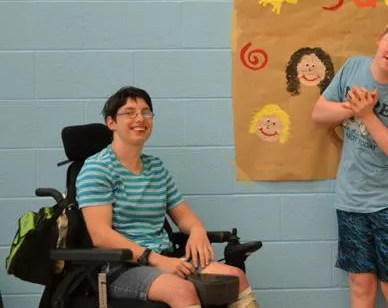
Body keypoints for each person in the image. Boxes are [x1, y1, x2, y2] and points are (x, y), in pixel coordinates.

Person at [77, 86, 259, 308]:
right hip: (120, 267)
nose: (139, 119)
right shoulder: (97, 168)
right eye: (129, 112)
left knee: (235, 278)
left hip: (165, 257)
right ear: (111, 122)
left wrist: (198, 230)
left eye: (146, 112)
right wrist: (158, 261)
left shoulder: (156, 167)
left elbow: (184, 217)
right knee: (182, 290)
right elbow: (101, 236)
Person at [312, 16, 388, 308]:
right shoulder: (353, 67)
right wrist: (351, 108)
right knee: (360, 285)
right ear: (380, 39)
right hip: (351, 198)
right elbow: (318, 114)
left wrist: (367, 115)